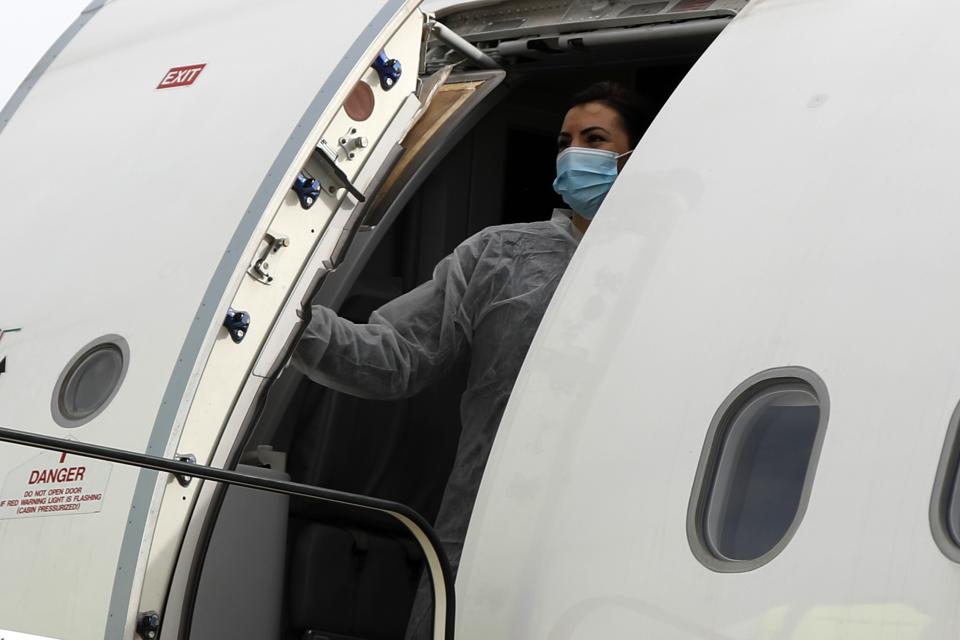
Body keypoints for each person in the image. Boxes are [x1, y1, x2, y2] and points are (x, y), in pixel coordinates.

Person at [291, 80, 653, 638]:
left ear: (640, 154)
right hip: (488, 517)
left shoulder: (679, 264)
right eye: (564, 140)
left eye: (595, 139)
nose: (573, 153)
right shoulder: (499, 255)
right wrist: (293, 322)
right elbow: (396, 357)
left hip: (627, 526)